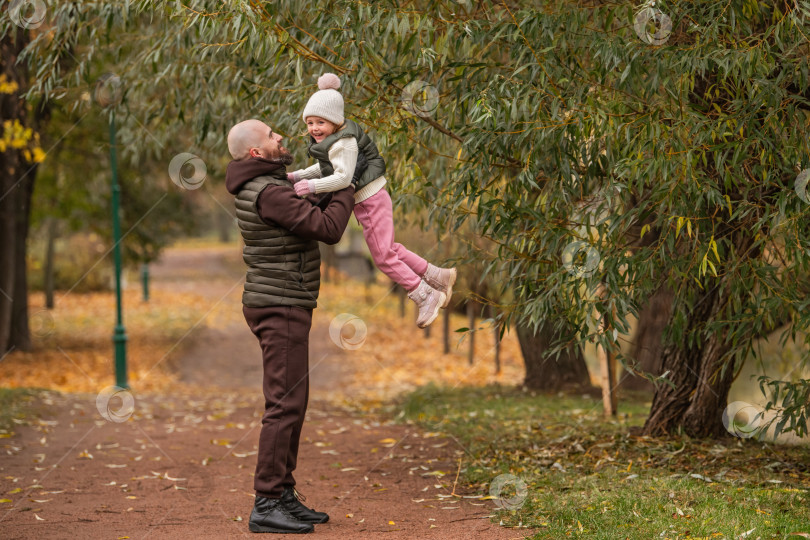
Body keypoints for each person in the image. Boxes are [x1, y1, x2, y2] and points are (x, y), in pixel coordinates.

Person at [226, 118, 360, 534]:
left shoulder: (272, 185)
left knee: (293, 402)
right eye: (270, 136)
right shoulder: (269, 192)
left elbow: (310, 213)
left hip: (285, 300)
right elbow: (328, 228)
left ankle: (282, 493)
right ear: (256, 152)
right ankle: (266, 502)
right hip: (279, 303)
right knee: (284, 404)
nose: (280, 136)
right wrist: (347, 183)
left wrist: (330, 183)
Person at [287, 73, 457, 328]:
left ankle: (425, 295)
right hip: (372, 198)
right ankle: (437, 275)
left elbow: (343, 178)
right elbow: (326, 169)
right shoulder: (336, 140)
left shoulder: (344, 144)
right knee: (390, 249)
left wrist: (311, 186)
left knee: (382, 257)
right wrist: (298, 175)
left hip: (370, 200)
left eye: (320, 122)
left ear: (335, 122)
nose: (314, 128)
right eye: (310, 122)